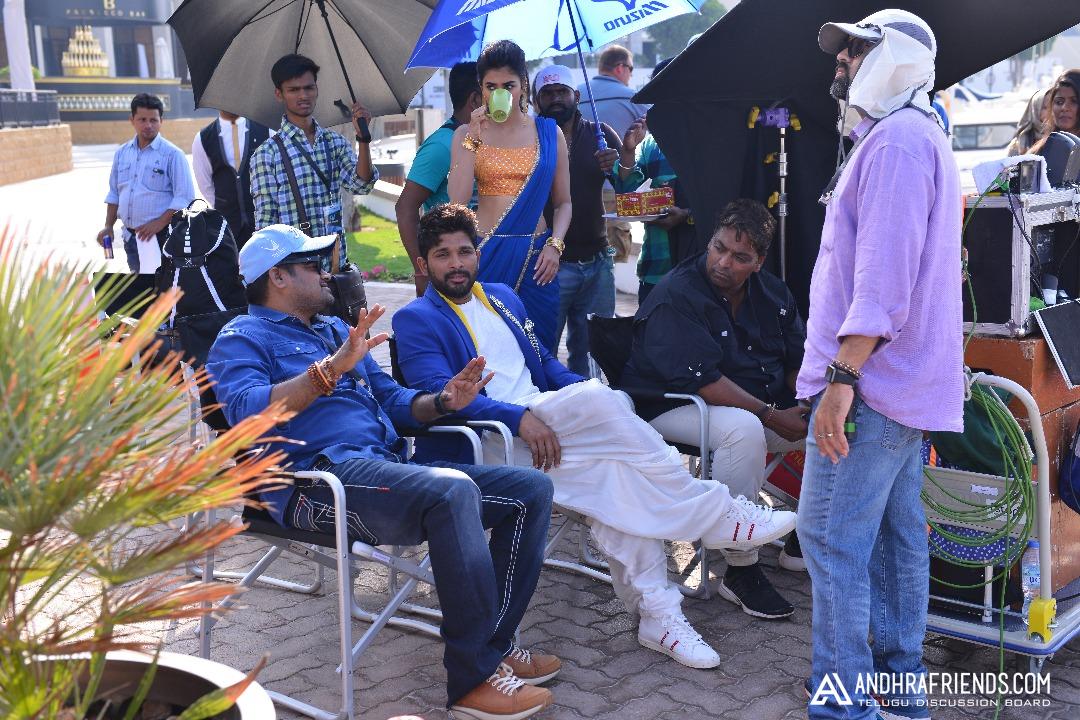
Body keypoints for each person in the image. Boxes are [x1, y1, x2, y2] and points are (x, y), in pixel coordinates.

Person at [392, 204, 798, 670]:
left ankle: (659, 616)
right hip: (491, 442)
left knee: (615, 463)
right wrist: (523, 417)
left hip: (548, 430)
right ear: (423, 263)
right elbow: (442, 397)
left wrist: (580, 396)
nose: (456, 263)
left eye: (464, 252)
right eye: (443, 255)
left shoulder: (501, 297)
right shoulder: (416, 319)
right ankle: (713, 512)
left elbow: (547, 366)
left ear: (478, 255)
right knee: (610, 424)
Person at [206, 224, 559, 720]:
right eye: (312, 265)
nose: (326, 273)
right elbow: (246, 415)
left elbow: (392, 401)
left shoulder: (333, 331)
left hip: (384, 469)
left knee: (531, 490)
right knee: (453, 492)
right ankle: (473, 679)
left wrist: (444, 401)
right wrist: (329, 370)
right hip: (316, 484)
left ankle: (493, 646)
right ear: (278, 277)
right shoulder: (241, 338)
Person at [800, 10, 963, 719]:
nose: (841, 61)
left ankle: (844, 706)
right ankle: (900, 693)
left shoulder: (897, 141)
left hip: (870, 386)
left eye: (857, 50)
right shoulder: (911, 133)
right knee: (895, 544)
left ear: (897, 58)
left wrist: (842, 379)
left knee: (831, 540)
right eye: (843, 51)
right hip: (895, 387)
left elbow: (883, 281)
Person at [623, 199, 807, 619]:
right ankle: (740, 568)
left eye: (740, 257)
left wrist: (810, 402)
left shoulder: (773, 294)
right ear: (710, 241)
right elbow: (705, 382)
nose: (724, 262)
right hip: (668, 405)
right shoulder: (677, 293)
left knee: (834, 427)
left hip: (750, 406)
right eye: (719, 248)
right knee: (743, 430)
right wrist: (772, 415)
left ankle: (804, 540)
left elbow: (797, 361)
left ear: (758, 262)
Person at [448, 40, 571, 352]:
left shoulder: (549, 132)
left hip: (538, 257)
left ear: (523, 85)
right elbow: (457, 202)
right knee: (487, 349)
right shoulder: (466, 134)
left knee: (540, 349)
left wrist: (555, 246)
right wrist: (472, 140)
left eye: (508, 86)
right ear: (480, 88)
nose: (499, 93)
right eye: (491, 87)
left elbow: (564, 203)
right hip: (486, 252)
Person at [533, 64, 620, 376]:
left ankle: (592, 402)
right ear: (535, 100)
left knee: (596, 352)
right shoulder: (530, 140)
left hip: (598, 263)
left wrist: (621, 159)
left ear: (577, 96)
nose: (556, 98)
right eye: (548, 93)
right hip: (549, 265)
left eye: (562, 92)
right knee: (542, 349)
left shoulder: (600, 134)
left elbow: (630, 186)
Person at [249, 53, 378, 256]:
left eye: (309, 88)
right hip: (295, 265)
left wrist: (363, 139)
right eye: (293, 90)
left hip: (335, 263)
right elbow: (266, 224)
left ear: (317, 90)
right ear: (279, 94)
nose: (303, 96)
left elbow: (362, 185)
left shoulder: (334, 142)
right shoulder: (267, 154)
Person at [397, 61, 482, 297]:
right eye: (491, 90)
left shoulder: (487, 139)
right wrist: (422, 271)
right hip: (449, 273)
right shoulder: (442, 145)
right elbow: (405, 207)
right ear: (475, 100)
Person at [614, 59, 696, 305]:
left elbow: (723, 201)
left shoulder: (709, 143)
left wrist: (687, 215)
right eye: (657, 97)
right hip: (655, 270)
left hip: (699, 270)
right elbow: (629, 198)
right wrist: (628, 152)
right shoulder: (650, 145)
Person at [97, 93, 196, 273]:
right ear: (132, 120)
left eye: (153, 120)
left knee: (163, 287)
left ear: (161, 121)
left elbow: (185, 198)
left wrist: (159, 223)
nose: (148, 125)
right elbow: (114, 194)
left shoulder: (173, 155)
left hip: (162, 239)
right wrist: (108, 226)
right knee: (140, 287)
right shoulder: (122, 153)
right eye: (142, 120)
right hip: (131, 239)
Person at [577, 44, 649, 264]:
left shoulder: (575, 95)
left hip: (577, 192)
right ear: (620, 68)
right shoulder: (633, 98)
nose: (630, 75)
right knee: (614, 259)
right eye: (630, 69)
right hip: (616, 191)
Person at [192, 111, 272, 247]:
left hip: (265, 224)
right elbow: (205, 185)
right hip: (228, 228)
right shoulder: (203, 138)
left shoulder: (266, 131)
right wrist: (226, 205)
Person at [1007, 87, 1050, 156]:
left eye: (1054, 106)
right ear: (1035, 109)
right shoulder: (1020, 143)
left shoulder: (1064, 137)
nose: (1051, 112)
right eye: (1045, 108)